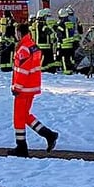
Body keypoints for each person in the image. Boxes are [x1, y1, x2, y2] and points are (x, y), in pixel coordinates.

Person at [8, 22, 59, 157]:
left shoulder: (24, 49)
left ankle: (22, 147)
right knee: (25, 116)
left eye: (16, 32)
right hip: (31, 87)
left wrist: (17, 87)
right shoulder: (33, 46)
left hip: (23, 89)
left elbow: (22, 71)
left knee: (19, 117)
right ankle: (48, 135)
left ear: (19, 33)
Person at [32, 8, 61, 73]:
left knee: (47, 60)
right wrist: (53, 33)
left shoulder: (36, 24)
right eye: (45, 17)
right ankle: (47, 70)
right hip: (44, 46)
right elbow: (48, 31)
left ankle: (48, 69)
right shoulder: (41, 24)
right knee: (47, 60)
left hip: (42, 45)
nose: (46, 18)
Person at [55, 7, 79, 75]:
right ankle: (72, 69)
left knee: (64, 58)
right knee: (70, 58)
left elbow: (59, 35)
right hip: (71, 44)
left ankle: (66, 71)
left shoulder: (61, 24)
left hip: (64, 45)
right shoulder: (71, 23)